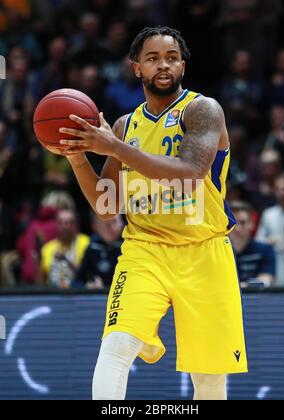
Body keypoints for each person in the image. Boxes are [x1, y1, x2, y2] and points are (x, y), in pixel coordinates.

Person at [58, 26, 248, 400]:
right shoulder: (124, 127)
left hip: (205, 251)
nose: (164, 65)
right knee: (116, 345)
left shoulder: (203, 110)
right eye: (153, 58)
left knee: (209, 381)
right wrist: (78, 156)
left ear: (183, 65)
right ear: (136, 68)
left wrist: (115, 149)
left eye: (172, 58)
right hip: (144, 250)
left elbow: (191, 174)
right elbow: (106, 205)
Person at [256, 173, 284, 287]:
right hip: (277, 259)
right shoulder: (269, 214)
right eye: (277, 189)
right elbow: (259, 240)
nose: (281, 192)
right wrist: (269, 241)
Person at [230, 201, 275, 288]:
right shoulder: (218, 252)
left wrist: (240, 286)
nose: (237, 228)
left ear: (252, 224)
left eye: (242, 222)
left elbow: (266, 280)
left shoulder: (265, 249)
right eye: (233, 223)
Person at [40, 208, 89, 289]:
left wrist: (66, 259)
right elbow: (41, 283)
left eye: (70, 222)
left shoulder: (86, 243)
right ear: (56, 224)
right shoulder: (47, 249)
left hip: (79, 295)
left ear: (76, 224)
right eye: (61, 222)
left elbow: (87, 274)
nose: (66, 226)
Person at [72, 214, 123, 290]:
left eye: (114, 221)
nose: (111, 227)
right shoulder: (93, 246)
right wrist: (87, 286)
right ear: (95, 226)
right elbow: (77, 282)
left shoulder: (131, 243)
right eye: (106, 224)